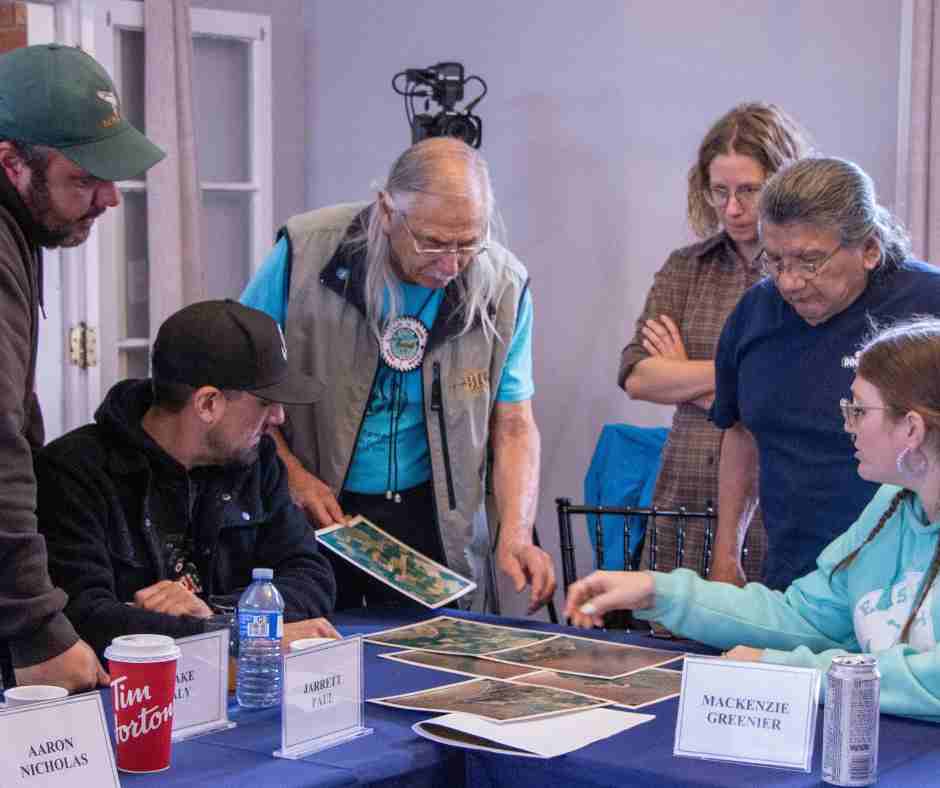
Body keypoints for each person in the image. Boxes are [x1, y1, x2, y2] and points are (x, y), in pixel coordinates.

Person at [566, 317, 940, 721]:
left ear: (912, 429)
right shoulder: (893, 505)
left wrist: (782, 670)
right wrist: (657, 592)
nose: (847, 425)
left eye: (859, 411)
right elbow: (804, 619)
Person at [241, 137, 554, 613]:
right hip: (317, 506)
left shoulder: (504, 284)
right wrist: (293, 477)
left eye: (468, 244)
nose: (450, 265)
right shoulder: (305, 253)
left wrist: (516, 530)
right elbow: (243, 382)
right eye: (432, 242)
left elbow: (513, 422)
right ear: (386, 211)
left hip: (431, 514)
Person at [34, 301, 338, 661]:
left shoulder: (258, 461)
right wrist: (235, 635)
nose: (279, 416)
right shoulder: (73, 472)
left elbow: (312, 577)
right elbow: (83, 618)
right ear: (208, 403)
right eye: (265, 402)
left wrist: (219, 618)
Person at [0, 44, 165, 690]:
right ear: (12, 162)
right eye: (84, 179)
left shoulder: (21, 226)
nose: (109, 199)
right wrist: (39, 628)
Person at [707, 157, 940, 591]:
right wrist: (726, 555)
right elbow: (741, 434)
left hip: (908, 585)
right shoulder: (755, 314)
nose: (790, 282)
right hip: (795, 578)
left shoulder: (928, 306)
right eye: (774, 261)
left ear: (869, 249)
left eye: (809, 261)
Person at [619, 103, 811, 580]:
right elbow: (637, 376)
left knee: (764, 649)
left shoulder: (808, 272)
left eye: (749, 191)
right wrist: (746, 382)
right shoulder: (687, 267)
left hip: (773, 508)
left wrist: (685, 373)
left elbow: (797, 392)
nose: (731, 208)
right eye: (719, 191)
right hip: (683, 498)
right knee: (665, 646)